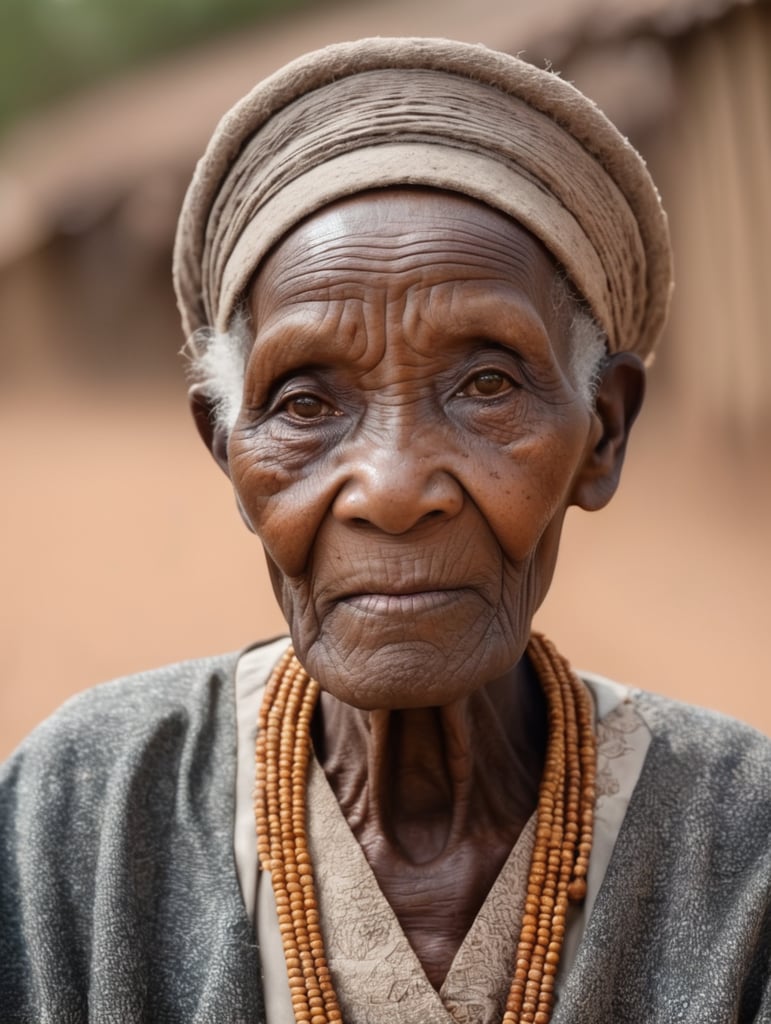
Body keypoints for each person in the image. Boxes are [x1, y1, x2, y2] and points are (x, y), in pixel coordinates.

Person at [1, 36, 769, 1024]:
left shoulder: (741, 846)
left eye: (486, 385)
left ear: (603, 433)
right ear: (225, 450)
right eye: (308, 403)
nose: (395, 488)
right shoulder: (80, 816)